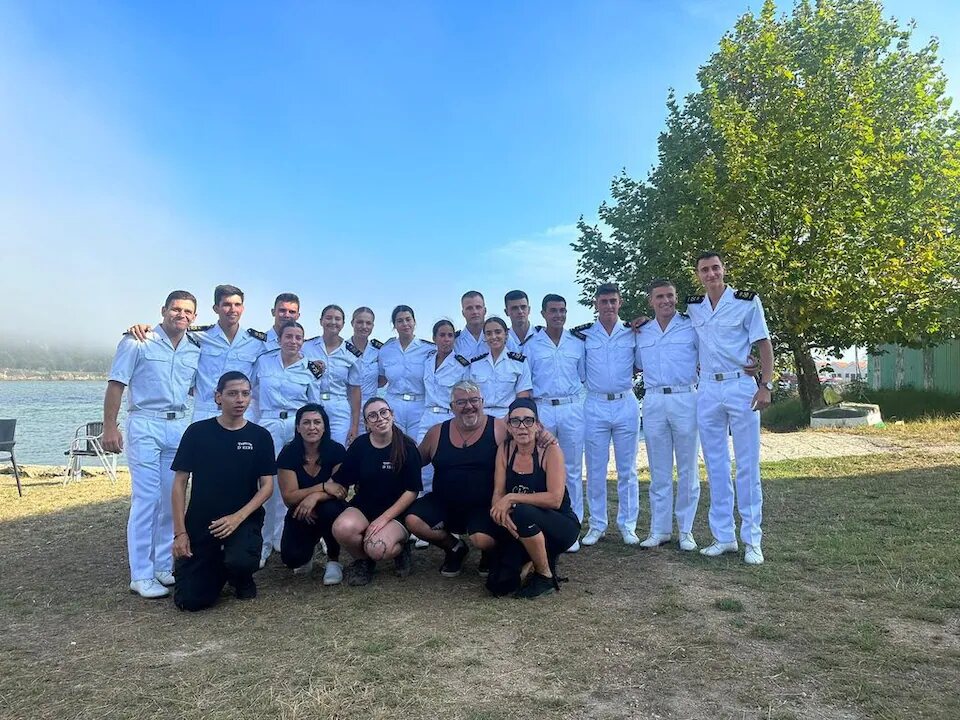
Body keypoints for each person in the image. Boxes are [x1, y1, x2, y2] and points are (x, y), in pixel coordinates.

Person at [103, 290, 201, 599]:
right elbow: (117, 384)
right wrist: (110, 427)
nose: (181, 315)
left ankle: (161, 564)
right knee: (146, 499)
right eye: (175, 309)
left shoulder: (194, 348)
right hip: (145, 422)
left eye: (187, 311)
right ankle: (141, 574)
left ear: (195, 317)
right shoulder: (137, 341)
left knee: (171, 497)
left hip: (178, 426)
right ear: (163, 310)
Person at [687, 251, 774, 565]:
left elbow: (763, 343)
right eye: (704, 270)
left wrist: (765, 384)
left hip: (740, 385)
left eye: (715, 268)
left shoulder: (746, 301)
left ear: (724, 270)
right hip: (708, 388)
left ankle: (753, 540)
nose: (711, 274)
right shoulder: (693, 308)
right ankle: (724, 536)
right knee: (716, 465)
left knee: (747, 465)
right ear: (698, 275)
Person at [170, 372, 276, 610]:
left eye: (245, 394)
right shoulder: (197, 433)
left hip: (243, 520)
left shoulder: (260, 436)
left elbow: (267, 486)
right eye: (232, 394)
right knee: (191, 602)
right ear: (218, 397)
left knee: (240, 561)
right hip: (202, 523)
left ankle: (240, 576)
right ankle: (214, 567)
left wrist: (237, 518)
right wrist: (180, 533)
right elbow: (179, 483)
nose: (240, 400)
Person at [126, 285, 267, 421]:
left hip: (241, 415)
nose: (232, 309)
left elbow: (283, 346)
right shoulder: (197, 336)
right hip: (205, 414)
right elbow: (172, 329)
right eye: (227, 304)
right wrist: (143, 328)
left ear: (243, 308)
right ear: (216, 308)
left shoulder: (256, 342)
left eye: (237, 305)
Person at [407, 380, 504, 578]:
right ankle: (454, 548)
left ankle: (490, 553)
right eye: (461, 402)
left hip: (484, 506)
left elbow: (523, 452)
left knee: (482, 540)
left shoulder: (499, 428)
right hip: (445, 502)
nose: (469, 406)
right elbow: (414, 462)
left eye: (474, 400)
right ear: (452, 407)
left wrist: (543, 436)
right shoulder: (436, 432)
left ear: (482, 402)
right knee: (413, 520)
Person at [633, 280, 701, 552]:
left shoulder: (691, 325)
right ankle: (659, 530)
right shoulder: (641, 332)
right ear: (651, 301)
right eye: (659, 297)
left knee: (687, 469)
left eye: (670, 296)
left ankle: (686, 530)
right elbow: (634, 365)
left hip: (685, 397)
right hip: (653, 400)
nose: (666, 301)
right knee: (658, 469)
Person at [488, 398, 580, 599]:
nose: (522, 427)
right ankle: (533, 560)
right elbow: (498, 491)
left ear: (538, 425)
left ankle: (545, 575)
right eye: (515, 421)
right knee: (499, 585)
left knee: (522, 510)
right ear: (509, 427)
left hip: (559, 524)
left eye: (528, 421)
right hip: (523, 528)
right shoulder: (504, 450)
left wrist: (512, 497)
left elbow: (555, 499)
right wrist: (498, 511)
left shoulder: (550, 450)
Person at [250, 320, 324, 567]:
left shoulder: (310, 369)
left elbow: (314, 405)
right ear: (279, 339)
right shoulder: (264, 361)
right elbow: (252, 393)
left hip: (296, 426)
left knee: (291, 482)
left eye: (298, 338)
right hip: (268, 423)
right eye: (289, 336)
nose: (293, 341)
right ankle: (264, 541)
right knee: (266, 481)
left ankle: (284, 537)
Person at [330, 398, 422, 585]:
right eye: (372, 415)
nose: (379, 418)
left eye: (383, 412)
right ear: (366, 423)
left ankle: (401, 548)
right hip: (364, 506)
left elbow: (412, 491)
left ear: (392, 414)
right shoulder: (360, 446)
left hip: (397, 512)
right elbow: (341, 480)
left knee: (377, 548)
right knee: (341, 528)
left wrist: (383, 519)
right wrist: (316, 493)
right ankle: (363, 562)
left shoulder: (408, 447)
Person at [580, 283, 641, 547]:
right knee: (595, 468)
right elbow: (581, 371)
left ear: (620, 302)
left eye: (613, 301)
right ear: (596, 304)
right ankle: (597, 524)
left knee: (627, 469)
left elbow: (640, 364)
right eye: (603, 301)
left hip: (625, 402)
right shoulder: (584, 335)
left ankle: (628, 525)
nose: (608, 306)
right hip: (595, 404)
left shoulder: (633, 332)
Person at [525, 293, 586, 552]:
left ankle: (573, 527)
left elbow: (582, 377)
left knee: (572, 469)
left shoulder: (577, 343)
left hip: (572, 408)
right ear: (543, 314)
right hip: (544, 410)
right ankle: (548, 524)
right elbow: (526, 384)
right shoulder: (531, 345)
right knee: (544, 470)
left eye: (562, 310)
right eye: (553, 311)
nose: (558, 315)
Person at [276, 403, 349, 585]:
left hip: (329, 508)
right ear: (298, 428)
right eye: (306, 423)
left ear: (324, 427)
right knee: (292, 559)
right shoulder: (288, 453)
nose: (312, 427)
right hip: (301, 511)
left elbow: (341, 490)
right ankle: (308, 550)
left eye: (317, 422)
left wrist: (314, 497)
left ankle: (334, 560)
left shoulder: (337, 450)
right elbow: (289, 497)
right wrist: (323, 486)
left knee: (329, 509)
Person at [302, 304, 362, 446]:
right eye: (328, 318)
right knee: (311, 449)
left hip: (339, 407)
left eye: (337, 319)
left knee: (338, 450)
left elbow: (355, 390)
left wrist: (354, 425)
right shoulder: (306, 347)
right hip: (311, 403)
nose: (333, 322)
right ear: (321, 320)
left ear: (343, 323)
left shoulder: (351, 353)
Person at [377, 305, 433, 440]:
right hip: (393, 404)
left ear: (414, 322)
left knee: (418, 446)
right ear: (394, 325)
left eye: (408, 319)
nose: (405, 324)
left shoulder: (428, 349)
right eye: (400, 321)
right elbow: (381, 379)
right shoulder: (385, 350)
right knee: (394, 446)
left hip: (419, 404)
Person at [467, 316, 532, 418]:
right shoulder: (476, 364)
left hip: (509, 415)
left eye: (498, 332)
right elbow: (470, 395)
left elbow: (523, 395)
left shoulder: (519, 362)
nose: (493, 337)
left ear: (506, 334)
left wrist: (509, 419)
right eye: (489, 333)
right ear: (484, 337)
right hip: (481, 417)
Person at [349, 306, 384, 409]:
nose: (364, 326)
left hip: (370, 408)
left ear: (373, 326)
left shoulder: (379, 351)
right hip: (347, 407)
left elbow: (382, 379)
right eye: (360, 322)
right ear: (352, 323)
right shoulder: (342, 349)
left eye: (368, 323)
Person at [454, 290, 489, 359]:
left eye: (478, 307)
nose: (475, 312)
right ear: (463, 313)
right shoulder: (455, 342)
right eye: (469, 308)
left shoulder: (500, 338)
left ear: (485, 310)